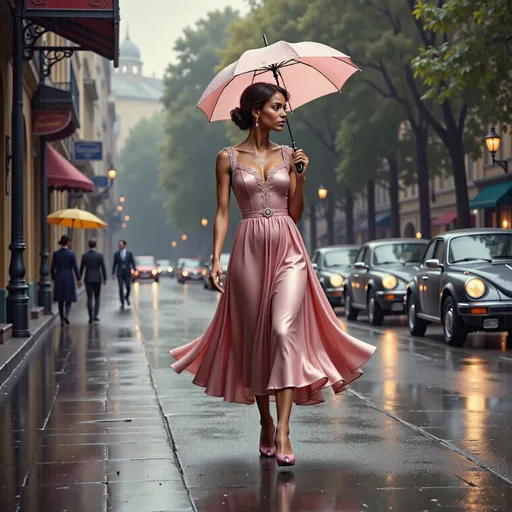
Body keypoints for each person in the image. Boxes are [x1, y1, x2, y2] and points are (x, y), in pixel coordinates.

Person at [170, 82, 376, 467]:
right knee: (254, 339)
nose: (283, 114)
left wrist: (301, 175)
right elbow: (221, 212)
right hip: (248, 249)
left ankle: (283, 429)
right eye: (277, 107)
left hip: (288, 246)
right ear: (255, 111)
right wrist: (216, 258)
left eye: (285, 108)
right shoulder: (226, 158)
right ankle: (264, 420)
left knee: (283, 330)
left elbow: (296, 211)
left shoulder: (289, 156)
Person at [51, 234, 81, 326]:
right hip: (68, 278)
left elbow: (52, 268)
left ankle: (61, 320)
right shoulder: (71, 254)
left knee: (60, 300)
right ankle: (66, 314)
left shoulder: (56, 254)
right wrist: (79, 279)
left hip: (59, 277)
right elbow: (75, 268)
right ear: (67, 242)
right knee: (68, 299)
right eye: (70, 242)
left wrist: (53, 278)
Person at [80, 238, 107, 323]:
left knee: (89, 297)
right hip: (97, 279)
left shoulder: (85, 255)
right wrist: (105, 278)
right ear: (96, 245)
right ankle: (95, 315)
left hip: (88, 278)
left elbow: (81, 268)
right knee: (97, 297)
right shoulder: (100, 255)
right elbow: (103, 267)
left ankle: (90, 316)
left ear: (88, 245)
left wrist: (79, 278)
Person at [112, 239, 136, 310]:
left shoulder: (129, 253)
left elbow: (132, 263)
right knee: (121, 288)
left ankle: (126, 297)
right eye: (119, 244)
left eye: (121, 244)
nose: (120, 246)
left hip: (127, 273)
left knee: (128, 287)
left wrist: (134, 271)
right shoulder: (116, 254)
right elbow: (114, 264)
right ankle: (122, 302)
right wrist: (113, 273)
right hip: (119, 273)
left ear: (125, 245)